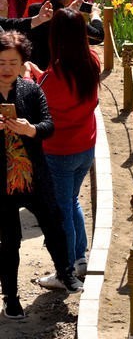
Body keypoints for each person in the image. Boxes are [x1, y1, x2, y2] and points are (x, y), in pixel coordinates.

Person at [0, 30, 81, 318]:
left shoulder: (30, 90)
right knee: (9, 241)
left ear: (22, 62)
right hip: (3, 182)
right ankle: (11, 297)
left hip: (34, 175)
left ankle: (65, 272)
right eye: (1, 63)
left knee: (54, 222)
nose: (7, 69)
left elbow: (49, 125)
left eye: (13, 62)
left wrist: (29, 129)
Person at [38, 9, 100, 284]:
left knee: (61, 209)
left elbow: (42, 102)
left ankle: (66, 271)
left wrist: (31, 77)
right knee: (72, 200)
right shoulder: (92, 63)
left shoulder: (55, 76)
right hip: (86, 147)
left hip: (59, 151)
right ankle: (80, 258)